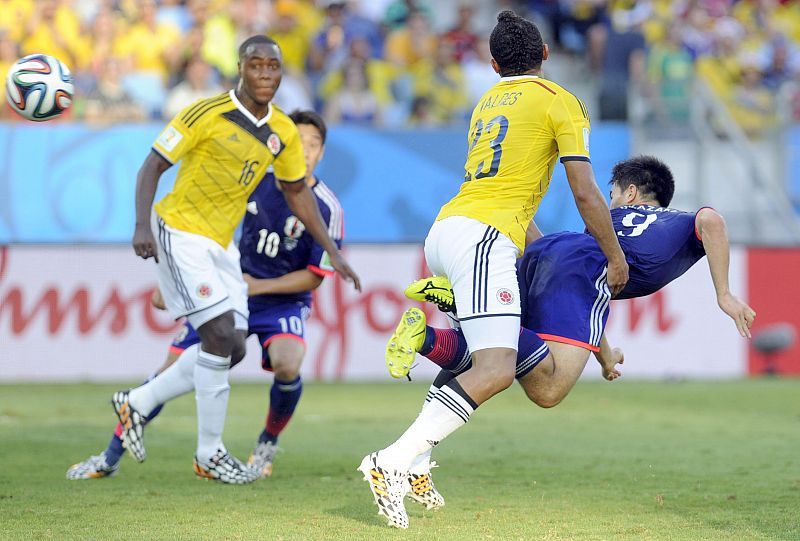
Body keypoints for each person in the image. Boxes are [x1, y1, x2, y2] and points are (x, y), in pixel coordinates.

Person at [358, 11, 627, 529]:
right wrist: (613, 256)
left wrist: (536, 251)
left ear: (494, 63)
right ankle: (390, 460)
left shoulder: (487, 102)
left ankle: (414, 466)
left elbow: (504, 190)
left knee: (472, 363)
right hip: (484, 240)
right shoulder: (559, 101)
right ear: (546, 53)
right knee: (498, 369)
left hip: (450, 229)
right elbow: (585, 190)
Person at [385, 155, 756, 509]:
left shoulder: (611, 226)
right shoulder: (675, 221)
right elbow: (712, 219)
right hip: (579, 267)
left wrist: (605, 354)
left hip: (550, 251)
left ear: (630, 194)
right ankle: (457, 308)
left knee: (491, 354)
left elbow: (586, 300)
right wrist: (723, 294)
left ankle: (431, 339)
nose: (612, 201)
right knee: (549, 388)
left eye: (612, 194)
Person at [121, 36, 359, 485]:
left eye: (274, 67)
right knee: (217, 336)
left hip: (218, 248)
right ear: (240, 68)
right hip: (180, 229)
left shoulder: (282, 133)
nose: (266, 74)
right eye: (257, 65)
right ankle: (209, 452)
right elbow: (152, 165)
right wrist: (141, 226)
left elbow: (296, 192)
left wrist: (331, 250)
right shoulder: (204, 112)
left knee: (231, 345)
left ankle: (136, 402)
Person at [68, 111, 344, 481]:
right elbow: (206, 228)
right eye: (299, 142)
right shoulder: (253, 181)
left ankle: (266, 444)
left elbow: (313, 278)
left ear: (322, 152)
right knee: (169, 371)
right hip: (227, 289)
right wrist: (177, 280)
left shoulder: (327, 206)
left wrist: (257, 286)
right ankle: (109, 456)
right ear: (283, 145)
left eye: (313, 145)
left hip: (280, 301)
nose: (305, 151)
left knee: (288, 362)